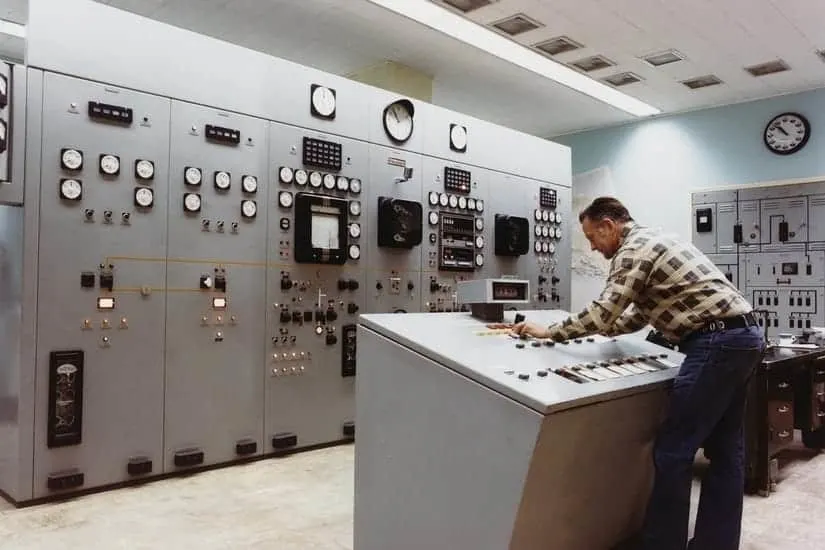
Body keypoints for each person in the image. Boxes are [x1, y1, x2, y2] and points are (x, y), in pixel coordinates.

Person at [512, 197, 764, 550]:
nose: (592, 247)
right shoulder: (655, 239)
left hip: (715, 341)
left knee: (673, 450)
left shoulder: (632, 250)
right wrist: (603, 330)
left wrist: (550, 332)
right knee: (726, 450)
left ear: (608, 226)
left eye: (592, 237)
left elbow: (604, 310)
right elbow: (638, 314)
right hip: (744, 336)